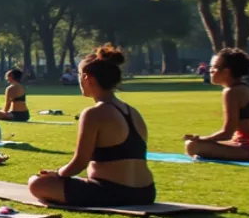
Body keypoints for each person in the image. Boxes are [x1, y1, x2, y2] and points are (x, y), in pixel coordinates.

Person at [28, 45, 155, 207]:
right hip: (146, 192)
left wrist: (58, 174)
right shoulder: (133, 112)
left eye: (79, 75)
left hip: (112, 192)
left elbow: (79, 162)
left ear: (87, 78)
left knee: (36, 182)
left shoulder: (93, 113)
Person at [184, 48, 249, 161]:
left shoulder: (232, 92)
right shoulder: (245, 88)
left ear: (226, 71)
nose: (210, 70)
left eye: (214, 67)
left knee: (192, 145)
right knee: (195, 145)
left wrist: (201, 139)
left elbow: (227, 133)